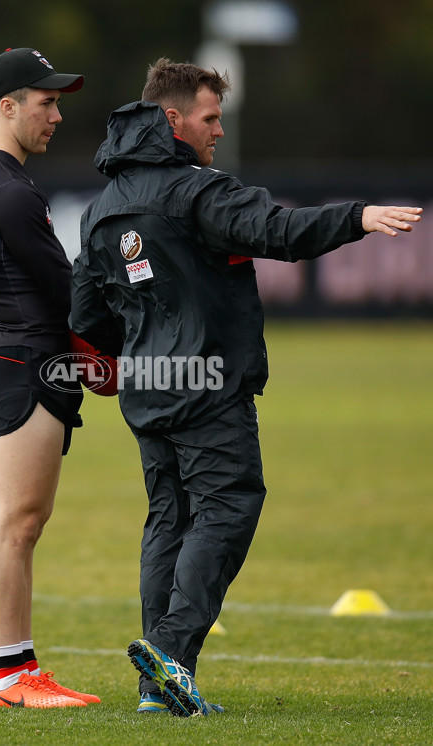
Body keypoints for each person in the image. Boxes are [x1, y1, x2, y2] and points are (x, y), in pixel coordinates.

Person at [69, 58, 422, 717]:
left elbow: (86, 317)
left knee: (168, 522)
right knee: (227, 507)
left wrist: (123, 365)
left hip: (149, 388)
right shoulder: (195, 190)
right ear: (171, 119)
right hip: (206, 383)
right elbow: (277, 232)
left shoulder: (101, 208)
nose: (218, 131)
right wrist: (360, 216)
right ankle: (170, 650)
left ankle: (159, 685)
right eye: (210, 118)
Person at [0, 47, 100, 709]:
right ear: (6, 105)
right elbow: (63, 289)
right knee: (17, 523)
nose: (56, 114)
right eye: (45, 102)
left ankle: (14, 673)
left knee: (18, 521)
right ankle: (12, 678)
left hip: (18, 360)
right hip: (22, 363)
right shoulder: (8, 189)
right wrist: (110, 350)